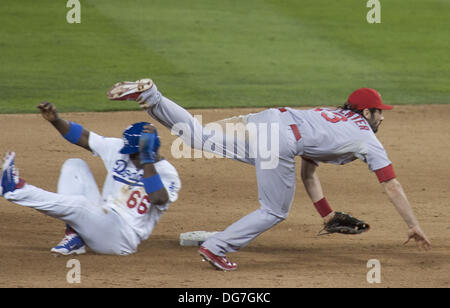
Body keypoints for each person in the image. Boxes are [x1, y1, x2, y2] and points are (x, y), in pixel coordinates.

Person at [107, 79, 431, 270]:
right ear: (366, 112)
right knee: (274, 209)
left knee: (197, 136)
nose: (382, 118)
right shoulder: (367, 139)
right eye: (379, 112)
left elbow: (308, 170)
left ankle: (151, 96)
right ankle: (216, 248)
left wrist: (327, 213)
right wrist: (413, 225)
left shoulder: (330, 115)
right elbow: (391, 185)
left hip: (268, 120)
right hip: (282, 141)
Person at [0, 102, 181, 255]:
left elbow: (159, 199)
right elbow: (84, 137)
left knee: (80, 204)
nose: (129, 156)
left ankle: (16, 190)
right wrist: (56, 120)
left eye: (134, 154)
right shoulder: (120, 150)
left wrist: (146, 159)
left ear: (151, 150)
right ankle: (75, 235)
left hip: (121, 236)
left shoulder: (167, 173)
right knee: (74, 165)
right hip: (102, 216)